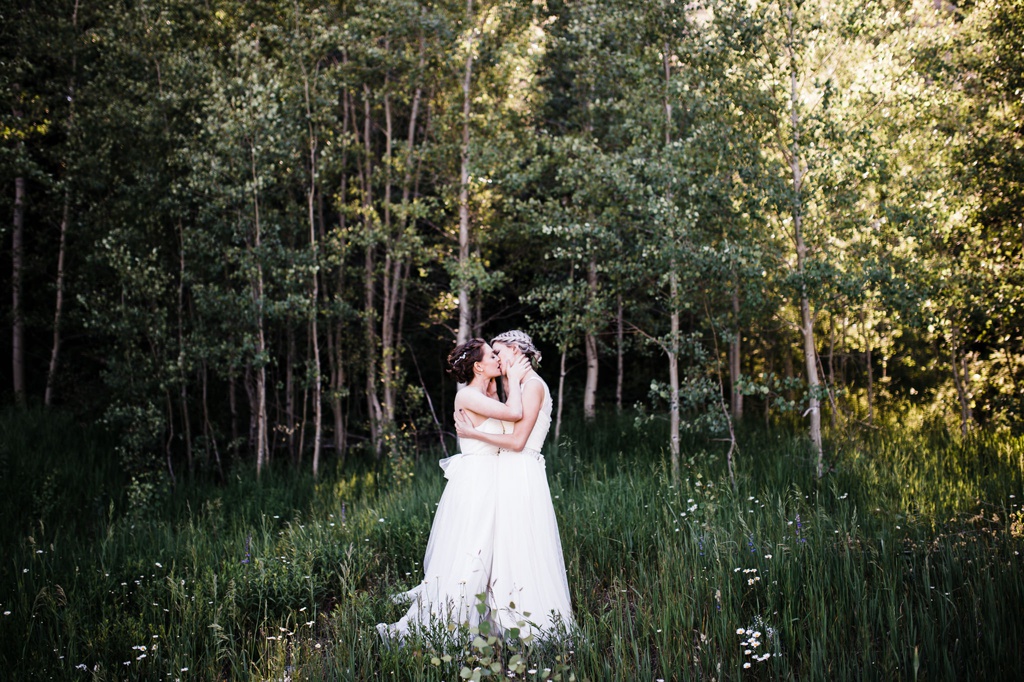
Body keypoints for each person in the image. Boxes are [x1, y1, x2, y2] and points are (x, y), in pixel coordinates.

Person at [376, 338, 530, 641]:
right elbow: (514, 415)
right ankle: (451, 621)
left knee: (490, 549)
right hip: (477, 482)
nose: (498, 360)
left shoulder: (487, 392)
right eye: (491, 356)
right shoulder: (468, 396)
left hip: (492, 478)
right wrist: (513, 377)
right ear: (478, 366)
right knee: (473, 550)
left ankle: (490, 613)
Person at [454, 330, 574, 639]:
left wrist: (474, 435)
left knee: (524, 546)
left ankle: (532, 621)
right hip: (506, 473)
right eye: (491, 354)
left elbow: (518, 441)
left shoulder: (532, 386)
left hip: (521, 472)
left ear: (514, 352)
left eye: (499, 352)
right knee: (508, 548)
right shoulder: (516, 387)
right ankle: (504, 614)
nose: (496, 358)